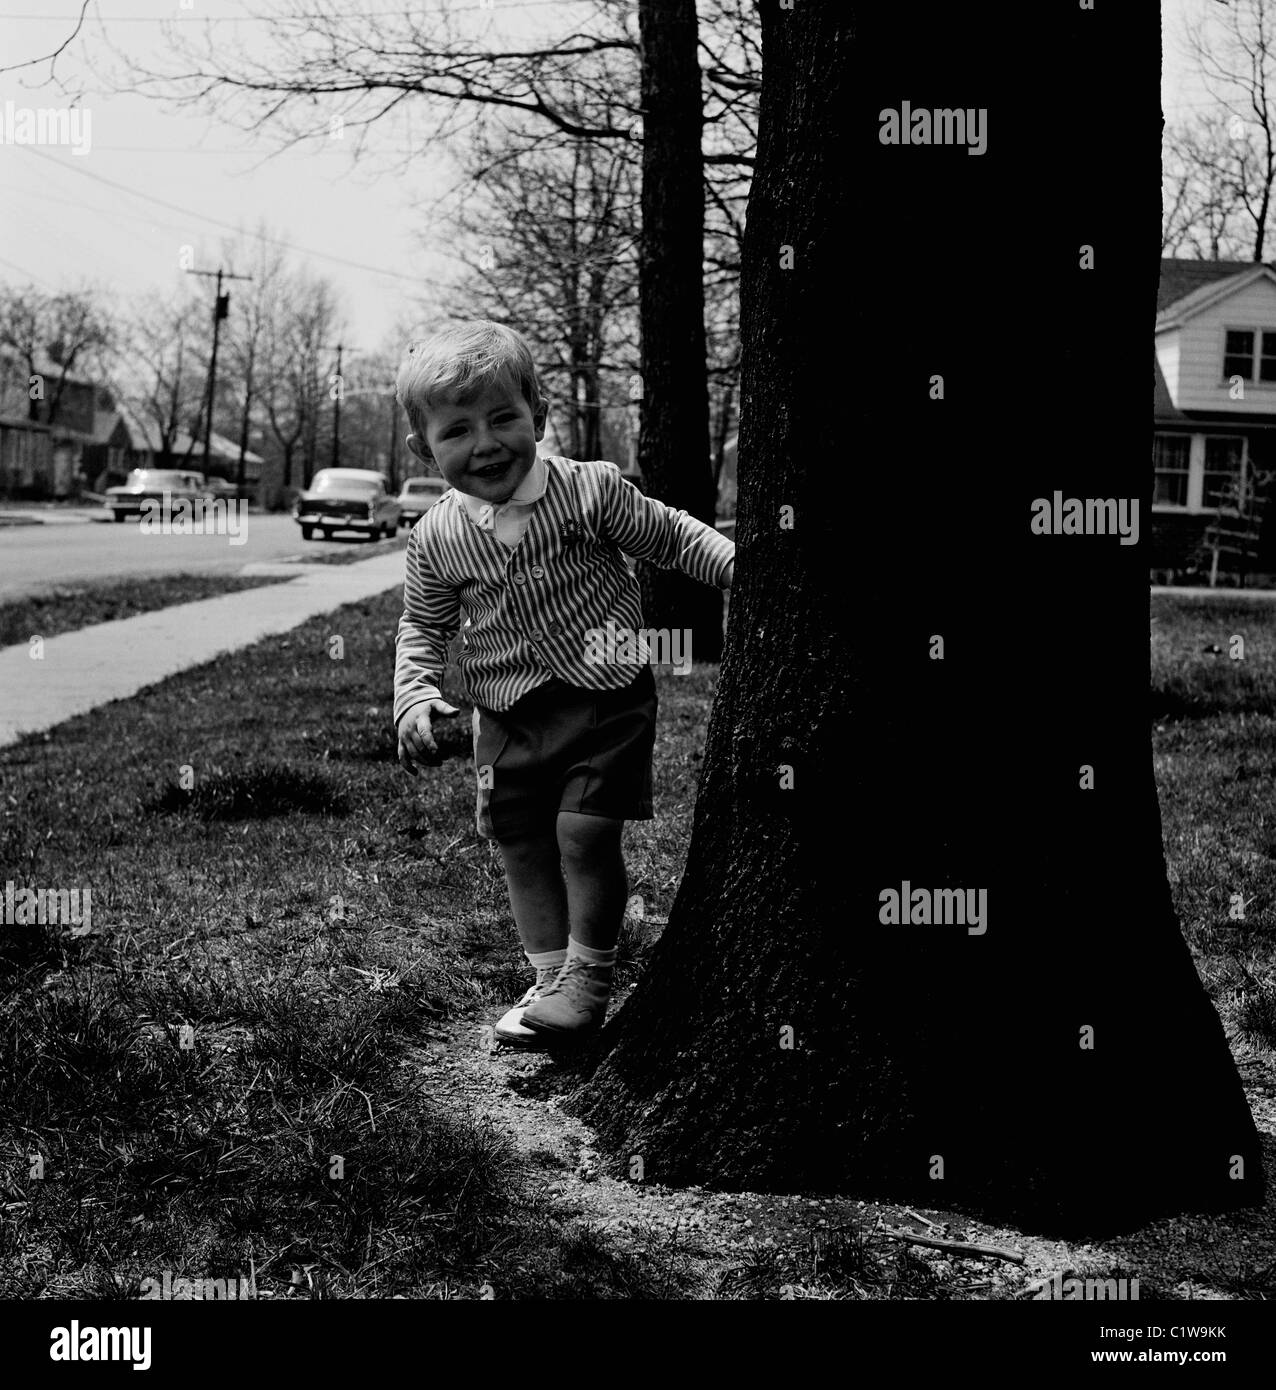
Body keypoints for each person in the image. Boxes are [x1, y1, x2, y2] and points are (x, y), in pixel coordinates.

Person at [393, 321, 734, 1045]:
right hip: (506, 716)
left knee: (581, 834)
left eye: (503, 419)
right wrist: (415, 694)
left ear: (538, 419)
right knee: (521, 841)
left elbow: (671, 535)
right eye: (457, 431)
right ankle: (550, 978)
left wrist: (737, 567)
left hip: (604, 696)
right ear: (426, 450)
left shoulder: (589, 492)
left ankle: (589, 978)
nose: (484, 444)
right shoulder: (435, 537)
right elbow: (421, 627)